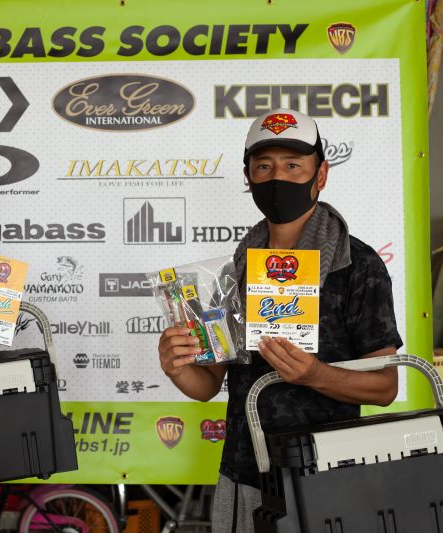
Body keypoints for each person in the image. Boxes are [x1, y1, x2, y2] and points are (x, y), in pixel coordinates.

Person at [157, 109, 402, 533]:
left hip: (325, 477)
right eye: (264, 166)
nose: (277, 178)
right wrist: (176, 366)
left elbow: (385, 387)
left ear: (320, 174)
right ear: (248, 177)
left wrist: (315, 375)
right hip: (244, 471)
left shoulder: (357, 265)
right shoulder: (237, 268)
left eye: (293, 166)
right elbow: (208, 383)